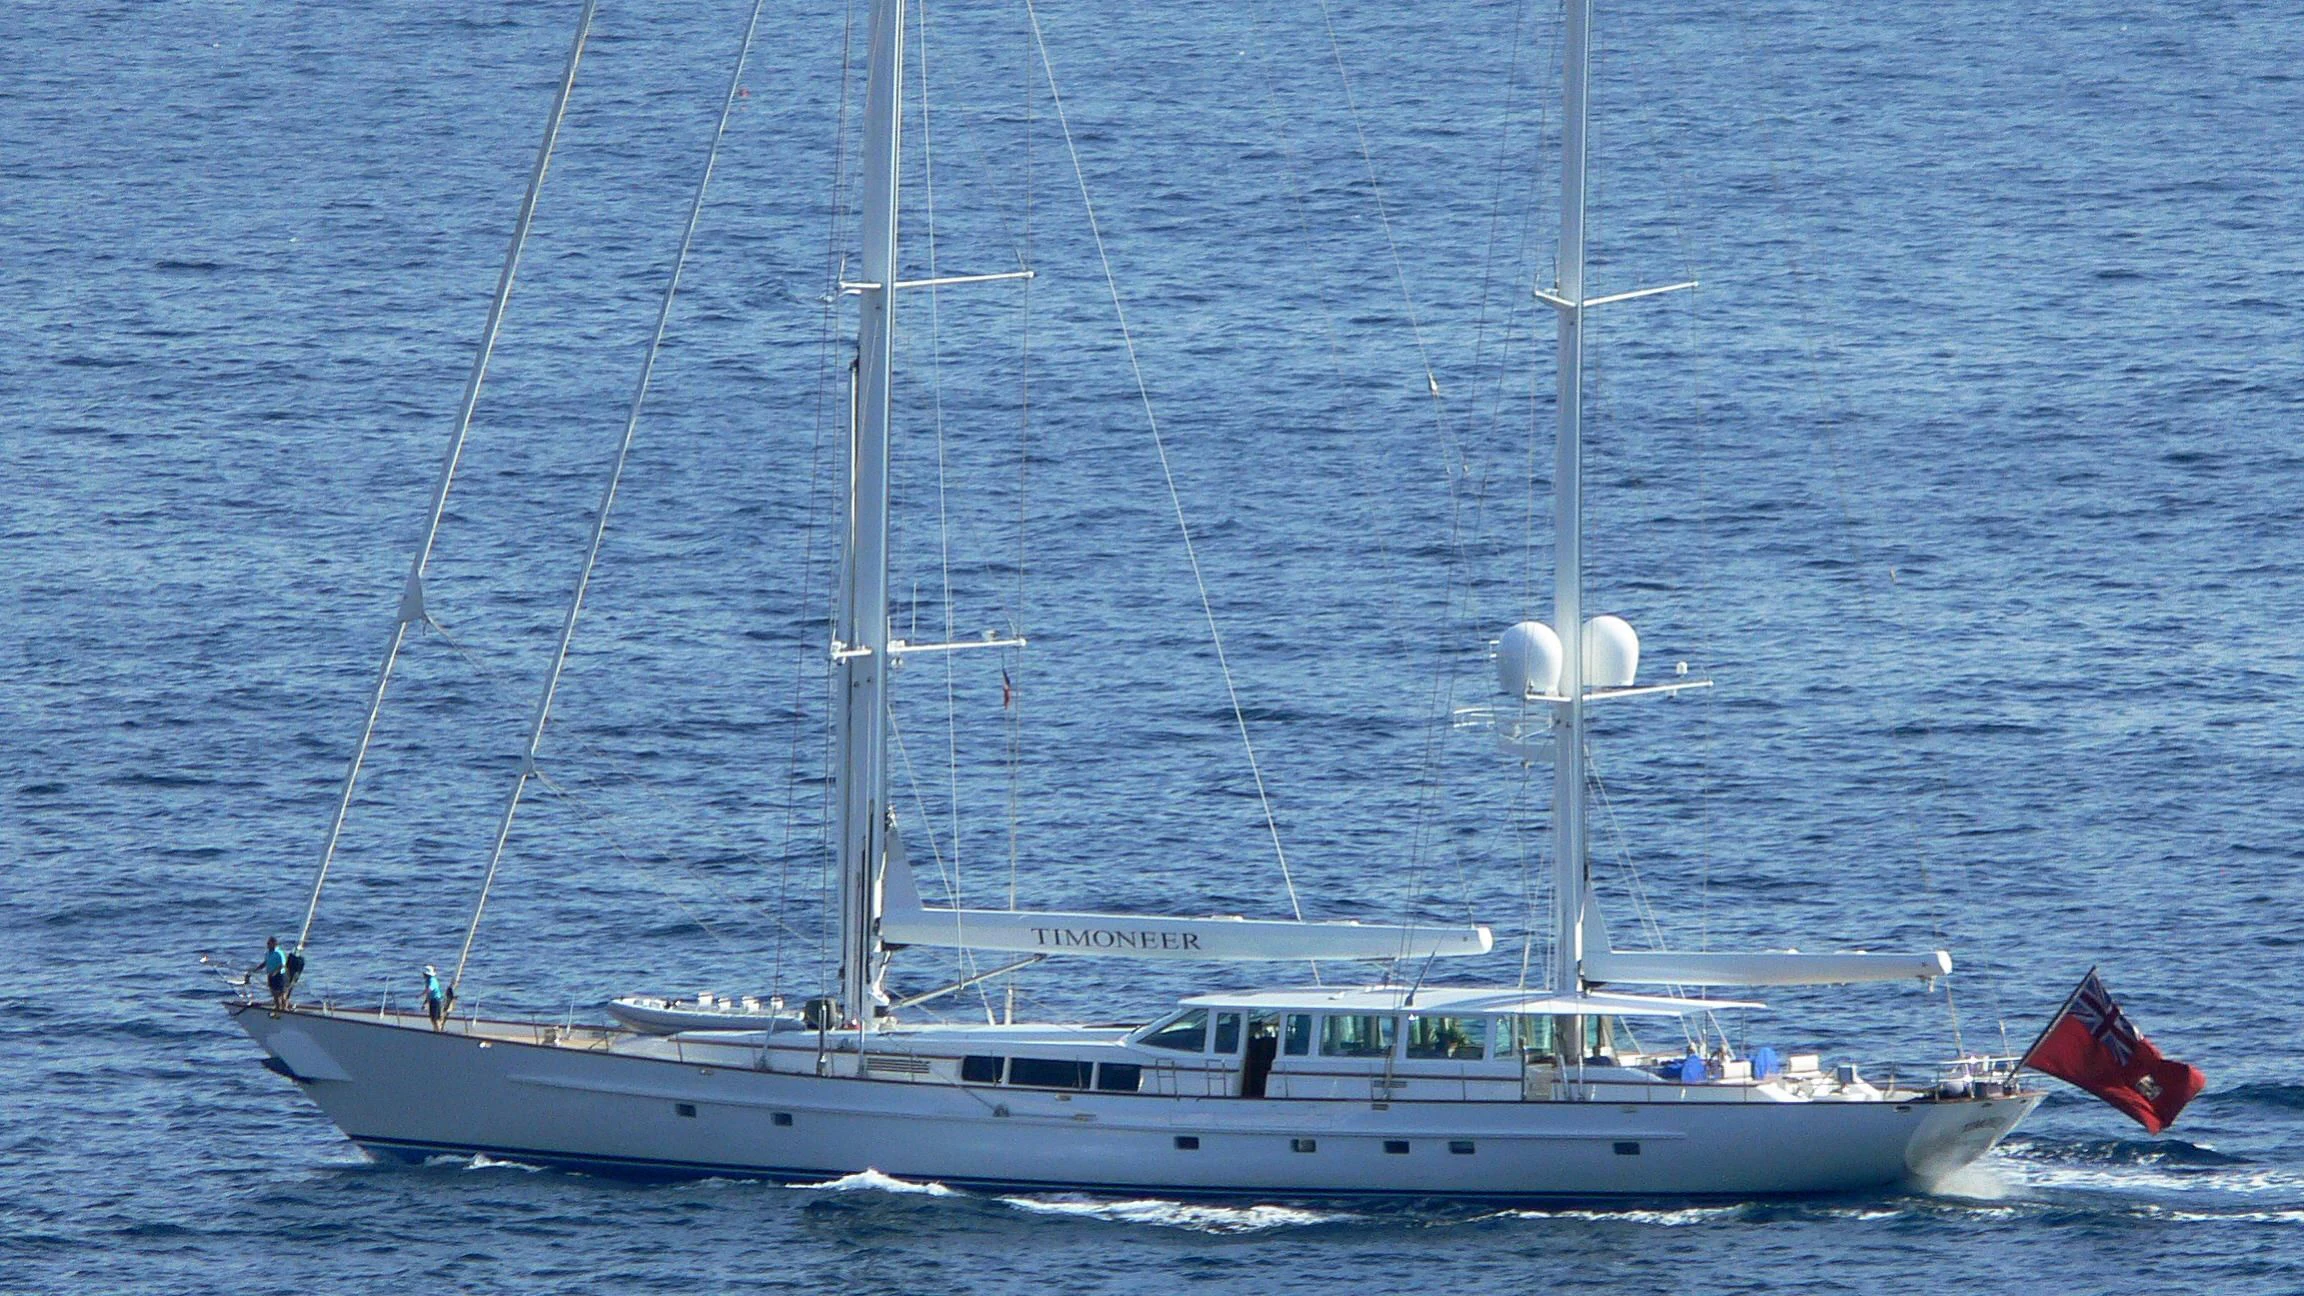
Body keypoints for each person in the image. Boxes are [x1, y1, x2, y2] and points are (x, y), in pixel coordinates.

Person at [252, 937, 291, 1011]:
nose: (267, 945)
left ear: (274, 944)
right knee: (274, 993)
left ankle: (284, 1008)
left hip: (280, 975)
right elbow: (265, 963)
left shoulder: (279, 953)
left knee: (282, 993)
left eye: (269, 944)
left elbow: (282, 965)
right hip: (270, 975)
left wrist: (275, 972)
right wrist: (256, 969)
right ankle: (277, 1007)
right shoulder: (267, 953)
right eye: (267, 944)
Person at [423, 964, 449, 1030]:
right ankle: (436, 1030)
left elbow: (429, 990)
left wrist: (420, 995)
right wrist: (426, 1001)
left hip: (435, 1001)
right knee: (433, 1018)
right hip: (432, 1000)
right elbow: (429, 994)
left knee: (435, 1018)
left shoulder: (432, 980)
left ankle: (438, 1031)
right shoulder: (428, 981)